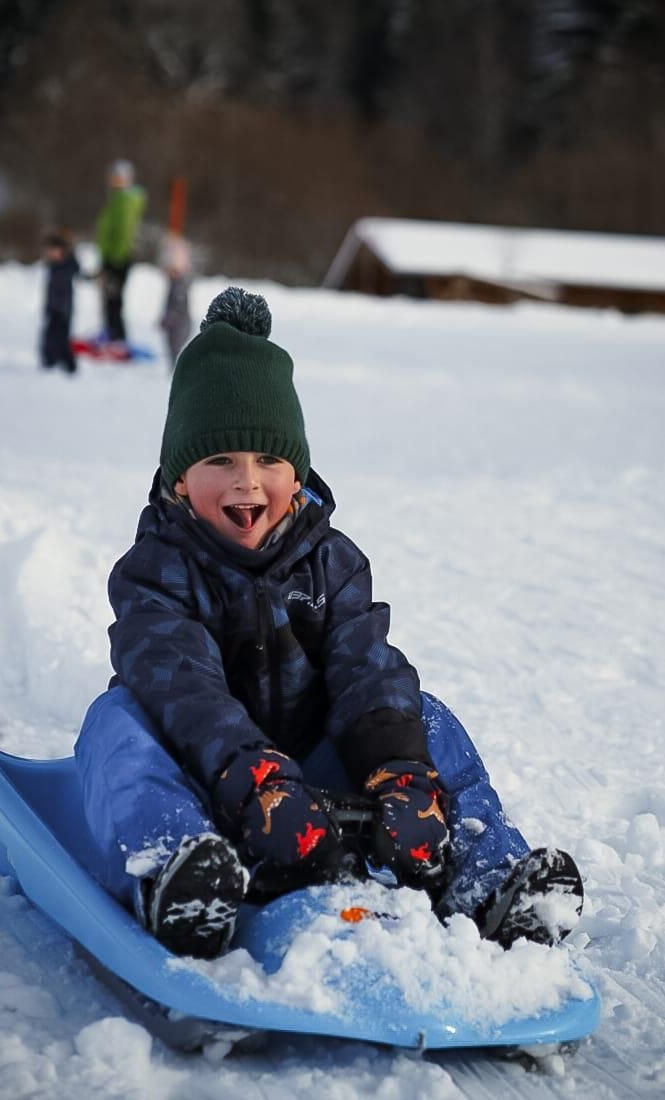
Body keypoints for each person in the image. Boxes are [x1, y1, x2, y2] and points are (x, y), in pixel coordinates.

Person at [75, 287, 584, 960]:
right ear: (177, 482)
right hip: (204, 776)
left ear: (298, 473)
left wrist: (400, 775)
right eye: (218, 461)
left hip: (313, 777)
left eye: (268, 462)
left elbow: (365, 668)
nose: (246, 484)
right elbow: (184, 689)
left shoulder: (331, 563)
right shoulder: (155, 572)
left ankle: (486, 881)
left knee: (423, 716)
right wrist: (254, 778)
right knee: (117, 723)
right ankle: (180, 875)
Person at [95, 159, 147, 344]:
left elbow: (124, 230)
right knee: (109, 297)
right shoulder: (116, 198)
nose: (114, 180)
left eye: (118, 177)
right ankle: (112, 331)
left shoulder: (125, 200)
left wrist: (115, 258)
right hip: (111, 256)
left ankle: (116, 335)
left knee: (113, 298)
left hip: (118, 258)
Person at [40, 229, 79, 374]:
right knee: (50, 338)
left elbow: (76, 269)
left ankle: (68, 366)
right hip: (53, 309)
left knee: (61, 340)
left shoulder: (67, 266)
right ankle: (50, 362)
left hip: (63, 311)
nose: (49, 253)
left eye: (52, 250)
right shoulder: (54, 266)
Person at [159, 230, 192, 370]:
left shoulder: (179, 285)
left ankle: (175, 367)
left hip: (178, 326)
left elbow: (178, 306)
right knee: (171, 348)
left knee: (175, 347)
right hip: (173, 325)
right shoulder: (174, 283)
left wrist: (169, 319)